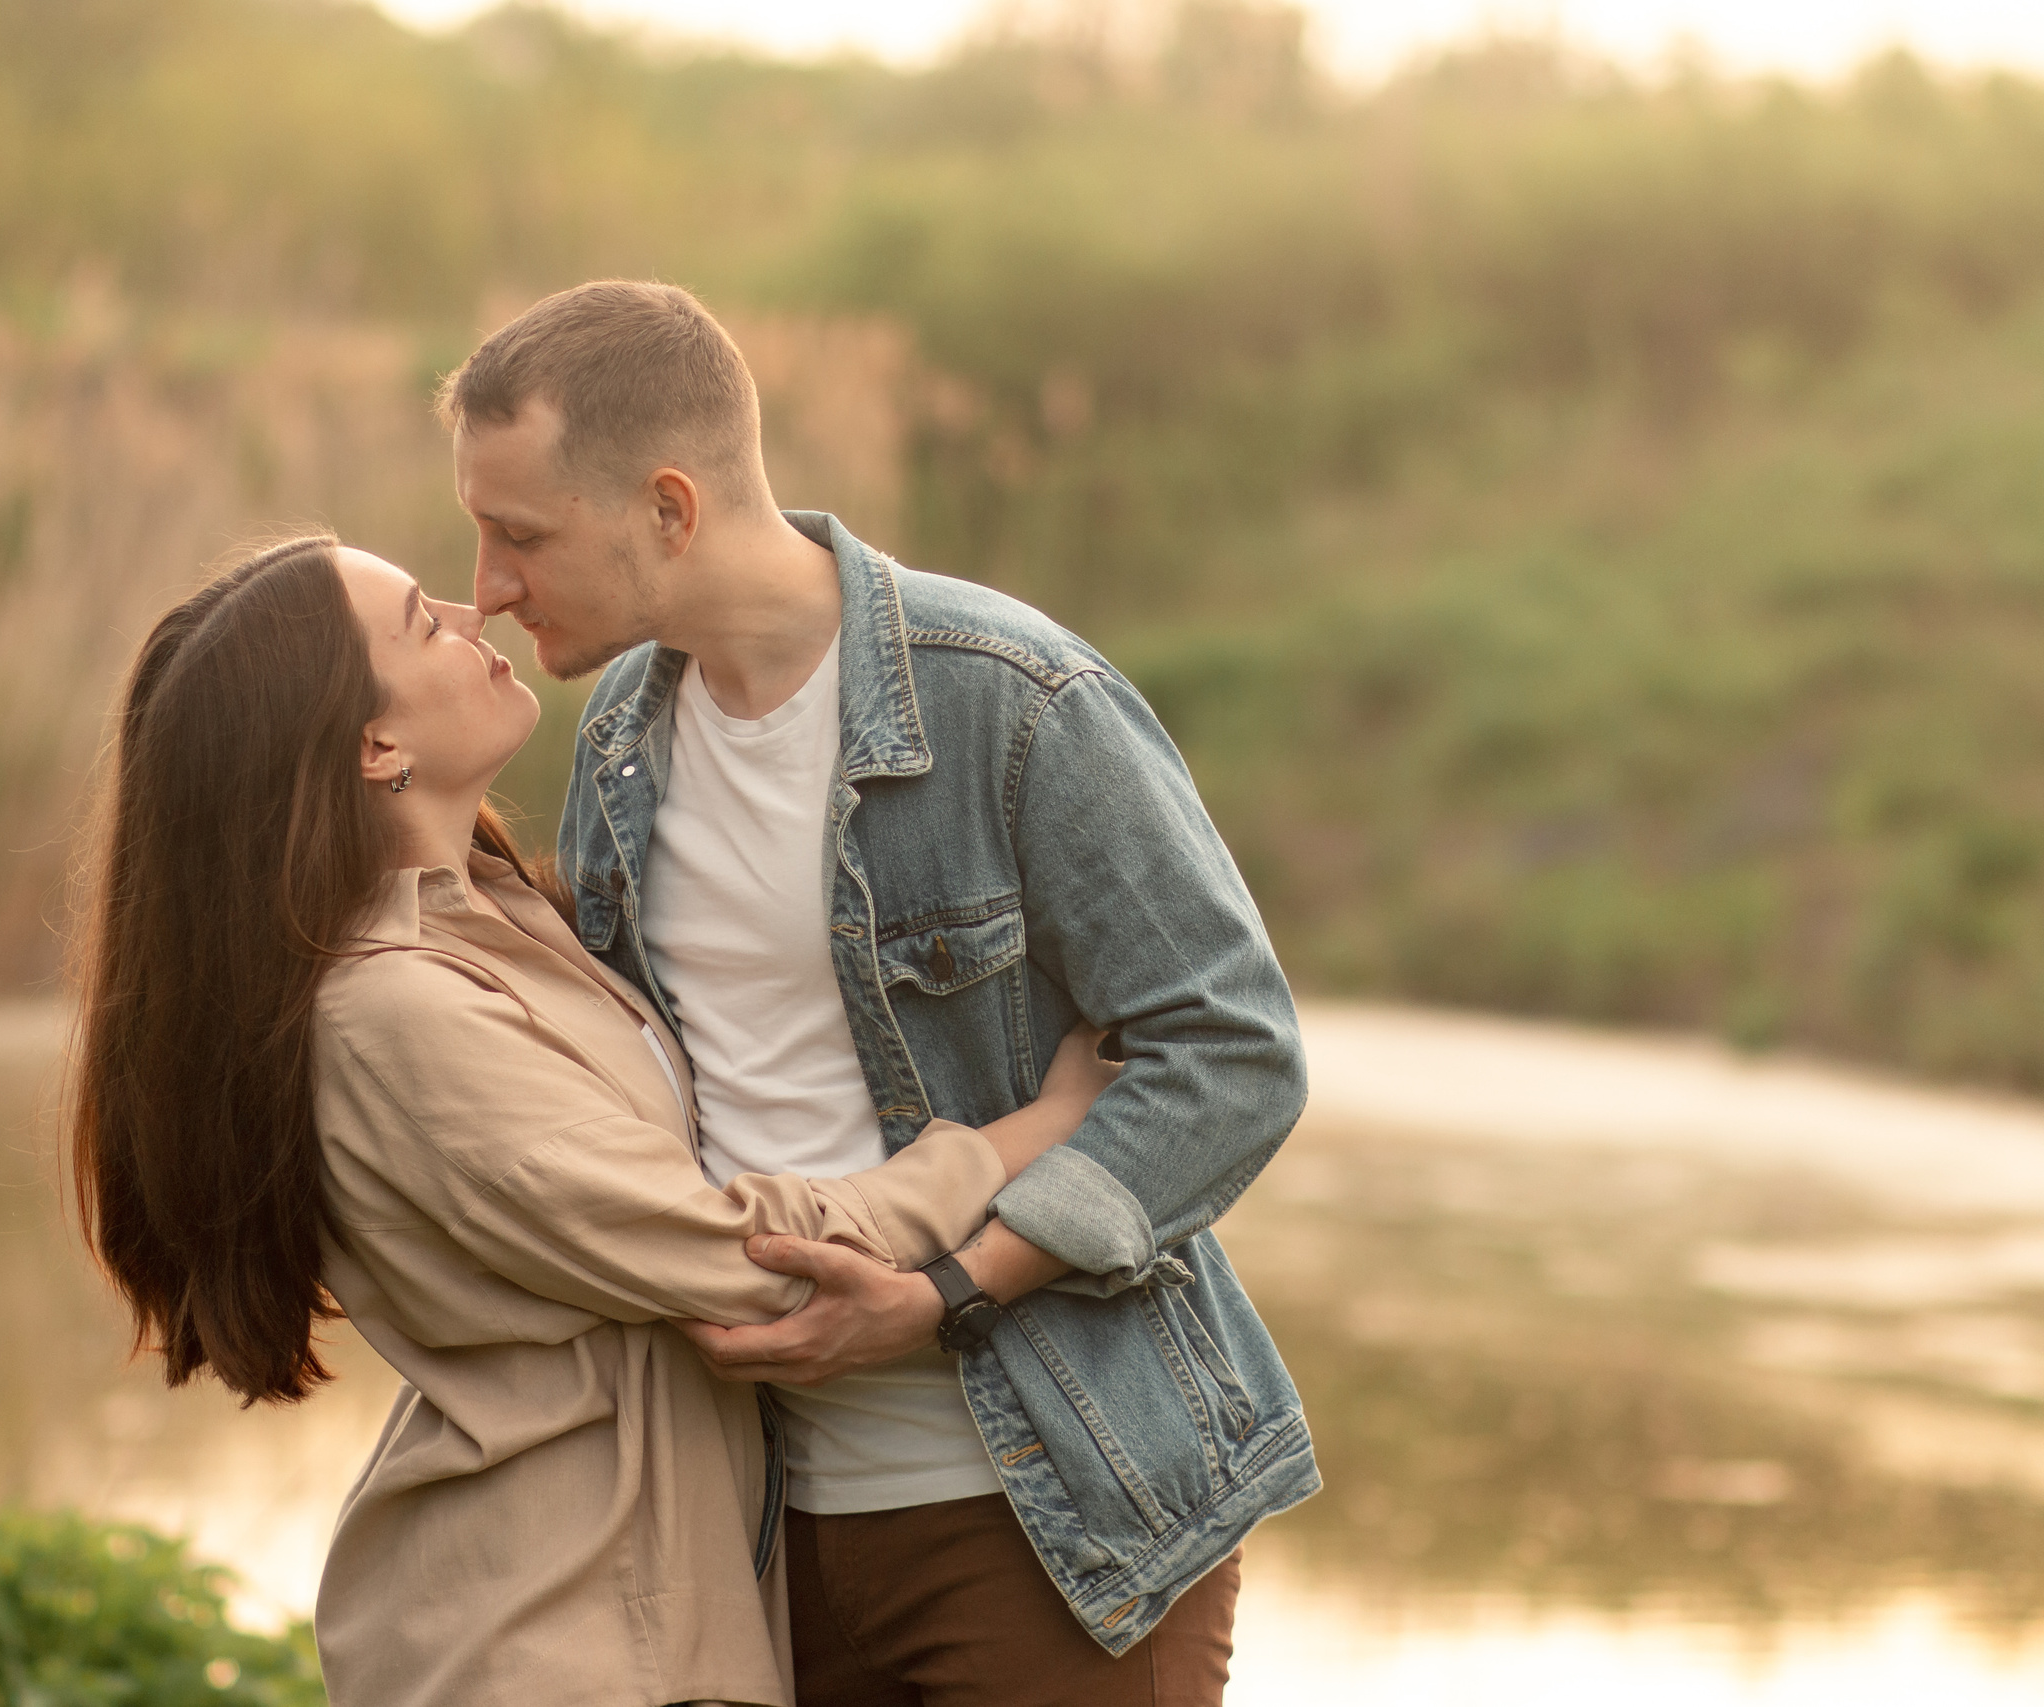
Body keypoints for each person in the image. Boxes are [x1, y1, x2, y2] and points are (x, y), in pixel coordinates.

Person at [443, 281, 1318, 1707]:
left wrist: (946, 1288)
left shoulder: (1013, 699)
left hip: (1048, 1503)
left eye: (520, 534)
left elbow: (1232, 1053)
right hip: (760, 1526)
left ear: (669, 506)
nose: (484, 582)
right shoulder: (617, 738)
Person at [64, 534, 1121, 1707]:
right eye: (425, 620)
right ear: (377, 747)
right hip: (557, 1640)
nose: (476, 614)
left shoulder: (494, 921)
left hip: (635, 1612)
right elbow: (740, 1257)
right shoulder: (392, 1010)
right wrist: (1033, 1129)